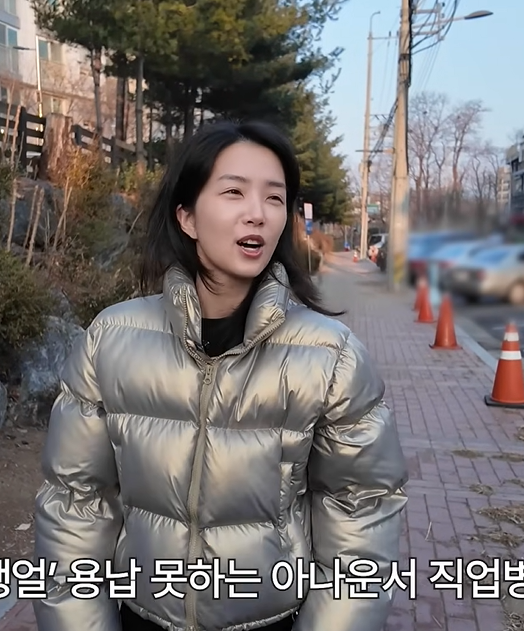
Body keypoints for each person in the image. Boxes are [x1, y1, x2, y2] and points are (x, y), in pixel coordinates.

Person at [33, 120, 409, 631]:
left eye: (274, 198)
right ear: (187, 216)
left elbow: (361, 518)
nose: (258, 213)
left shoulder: (331, 356)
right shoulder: (111, 339)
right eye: (234, 192)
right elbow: (76, 504)